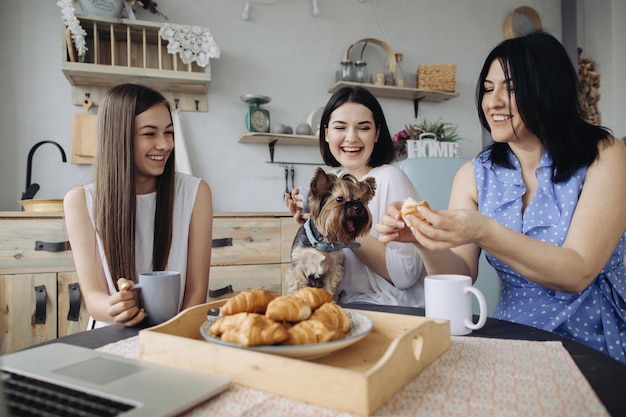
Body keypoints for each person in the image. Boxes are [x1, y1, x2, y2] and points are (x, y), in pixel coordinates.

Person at [376, 32, 626, 363]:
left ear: (547, 88)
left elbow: (577, 272)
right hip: (512, 337)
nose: (493, 101)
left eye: (511, 88)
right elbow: (461, 273)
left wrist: (482, 229)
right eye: (489, 89)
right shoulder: (474, 174)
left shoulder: (605, 155)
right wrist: (422, 238)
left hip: (594, 342)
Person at [64, 83, 213, 329]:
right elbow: (93, 298)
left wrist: (171, 337)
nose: (165, 144)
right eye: (149, 133)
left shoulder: (196, 193)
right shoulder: (80, 202)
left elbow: (197, 289)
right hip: (110, 335)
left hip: (175, 334)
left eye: (169, 132)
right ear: (118, 136)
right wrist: (116, 307)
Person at [285, 86, 427, 306]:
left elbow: (406, 275)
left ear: (377, 133)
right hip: (342, 306)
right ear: (326, 133)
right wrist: (315, 226)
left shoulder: (391, 178)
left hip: (390, 308)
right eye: (340, 127)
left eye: (363, 128)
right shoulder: (334, 182)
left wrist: (341, 225)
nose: (351, 138)